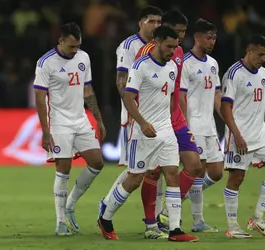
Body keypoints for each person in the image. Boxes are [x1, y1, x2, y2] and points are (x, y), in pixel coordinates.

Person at [97, 26, 198, 242]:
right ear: (158, 42)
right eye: (169, 46)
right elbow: (128, 98)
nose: (174, 50)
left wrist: (170, 121)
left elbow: (171, 97)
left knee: (172, 173)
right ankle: (105, 218)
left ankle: (174, 230)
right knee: (134, 179)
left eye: (176, 46)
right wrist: (142, 123)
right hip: (142, 133)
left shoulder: (172, 67)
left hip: (166, 131)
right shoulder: (140, 66)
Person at [131, 10, 203, 238]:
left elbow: (176, 89)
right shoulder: (147, 53)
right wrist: (141, 120)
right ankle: (152, 223)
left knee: (193, 165)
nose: (180, 38)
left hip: (175, 118)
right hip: (154, 120)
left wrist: (180, 117)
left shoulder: (177, 52)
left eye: (183, 33)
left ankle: (167, 216)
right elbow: (134, 89)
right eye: (177, 32)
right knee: (151, 173)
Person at [34, 22, 106, 236]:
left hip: (81, 120)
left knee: (97, 162)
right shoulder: (46, 62)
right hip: (59, 123)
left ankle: (70, 203)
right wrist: (45, 130)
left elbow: (88, 89)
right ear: (61, 41)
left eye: (78, 46)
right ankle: (60, 222)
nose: (75, 51)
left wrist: (98, 119)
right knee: (63, 168)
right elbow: (40, 98)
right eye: (72, 46)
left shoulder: (83, 58)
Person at [98, 5, 162, 223]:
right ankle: (108, 205)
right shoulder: (128, 46)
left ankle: (157, 218)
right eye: (151, 21)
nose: (155, 25)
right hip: (136, 118)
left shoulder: (161, 45)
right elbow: (121, 80)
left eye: (159, 22)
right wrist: (134, 110)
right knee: (138, 170)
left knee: (158, 168)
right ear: (140, 23)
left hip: (158, 115)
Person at [177, 18, 223, 232]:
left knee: (216, 172)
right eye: (208, 37)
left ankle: (181, 195)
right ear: (196, 38)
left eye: (214, 37)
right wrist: (185, 126)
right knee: (197, 170)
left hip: (210, 126)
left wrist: (226, 119)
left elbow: (216, 95)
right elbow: (181, 98)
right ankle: (197, 221)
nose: (212, 41)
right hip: (194, 124)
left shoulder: (213, 64)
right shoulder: (186, 62)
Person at [221, 35, 265, 238]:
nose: (263, 59)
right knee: (236, 178)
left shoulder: (263, 73)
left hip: (260, 133)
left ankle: (258, 218)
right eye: (260, 54)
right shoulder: (234, 74)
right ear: (249, 51)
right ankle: (232, 226)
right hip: (240, 135)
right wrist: (236, 135)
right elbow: (225, 107)